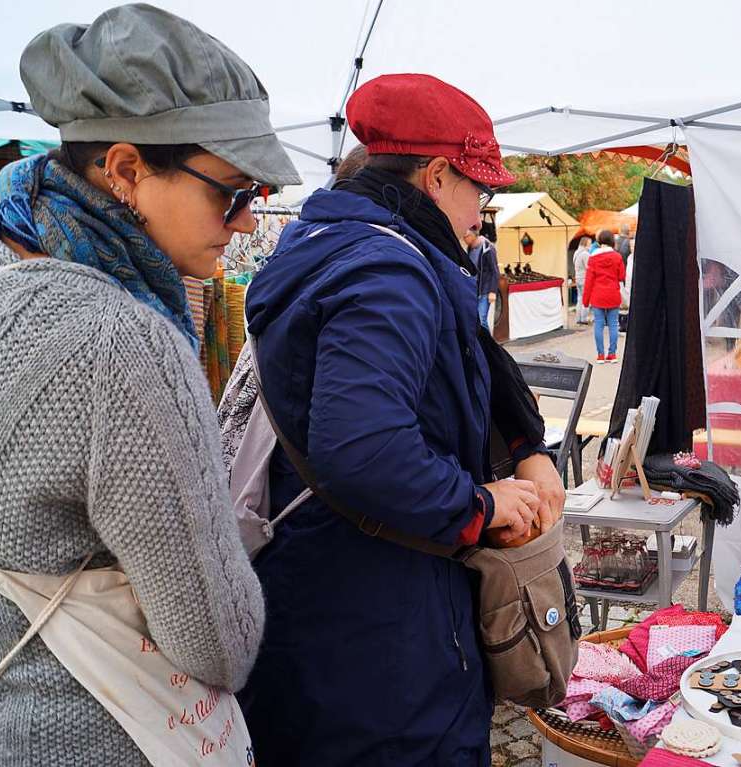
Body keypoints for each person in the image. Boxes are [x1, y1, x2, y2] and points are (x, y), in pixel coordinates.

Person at [0, 6, 289, 763]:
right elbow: (219, 642)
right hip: (99, 733)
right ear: (127, 169)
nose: (244, 223)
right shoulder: (122, 339)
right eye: (233, 192)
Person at [238, 73, 565, 766]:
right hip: (376, 633)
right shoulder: (386, 268)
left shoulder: (350, 243)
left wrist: (527, 444)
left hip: (330, 605)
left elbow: (469, 349)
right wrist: (479, 502)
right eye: (480, 186)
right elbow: (363, 450)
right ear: (437, 175)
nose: (485, 205)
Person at [582, 228, 626, 362]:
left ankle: (600, 355)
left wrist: (585, 300)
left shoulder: (593, 257)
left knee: (599, 325)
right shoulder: (617, 257)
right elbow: (621, 276)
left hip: (597, 295)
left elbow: (589, 281)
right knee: (613, 324)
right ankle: (612, 354)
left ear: (600, 241)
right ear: (612, 241)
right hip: (613, 294)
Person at [464, 225, 500, 329]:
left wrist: (492, 291)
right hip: (475, 289)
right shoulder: (470, 248)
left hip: (485, 290)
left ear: (472, 236)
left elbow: (494, 271)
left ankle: (487, 344)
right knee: (476, 319)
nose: (465, 240)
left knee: (481, 319)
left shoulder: (487, 247)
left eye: (466, 237)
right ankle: (482, 343)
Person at [572, 236, 592, 324]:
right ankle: (584, 318)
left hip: (577, 278)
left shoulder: (576, 252)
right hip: (584, 279)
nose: (590, 245)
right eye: (590, 243)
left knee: (579, 299)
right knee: (586, 299)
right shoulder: (585, 254)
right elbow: (589, 267)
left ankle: (578, 318)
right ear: (586, 243)